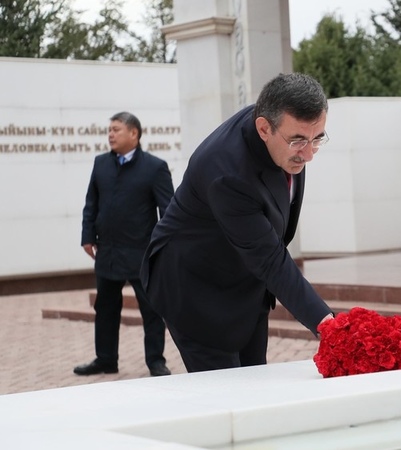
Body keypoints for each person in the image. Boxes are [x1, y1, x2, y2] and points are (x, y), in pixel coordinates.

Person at [140, 73, 334, 373]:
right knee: (226, 389)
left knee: (255, 377)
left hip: (244, 277)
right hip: (194, 287)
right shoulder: (226, 172)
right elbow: (269, 259)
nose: (308, 154)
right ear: (264, 128)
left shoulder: (281, 131)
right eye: (298, 141)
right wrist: (328, 326)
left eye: (317, 139)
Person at [75, 112, 174, 377]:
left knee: (151, 310)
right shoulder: (101, 164)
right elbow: (91, 203)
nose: (110, 134)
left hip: (142, 253)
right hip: (108, 251)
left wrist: (163, 247)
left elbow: (169, 211)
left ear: (134, 133)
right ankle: (105, 359)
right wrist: (87, 236)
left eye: (116, 129)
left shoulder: (154, 167)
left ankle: (156, 361)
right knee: (105, 308)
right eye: (109, 129)